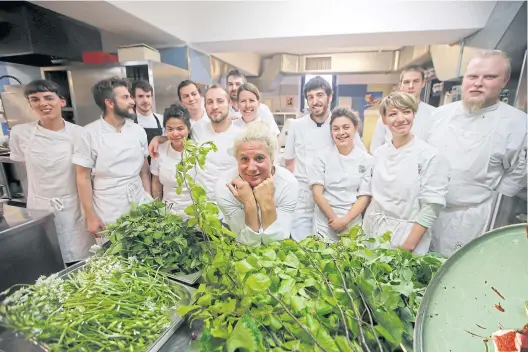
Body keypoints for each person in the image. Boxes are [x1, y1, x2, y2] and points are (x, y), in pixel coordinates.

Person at [425, 50, 527, 257]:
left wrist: (495, 219)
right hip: (428, 214)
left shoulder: (517, 124)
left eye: (489, 77)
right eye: (472, 76)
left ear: (504, 81)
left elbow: (516, 175)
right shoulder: (439, 116)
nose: (478, 83)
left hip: (474, 219)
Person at [9, 80, 94, 265]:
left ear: (61, 101)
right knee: (48, 260)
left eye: (48, 98)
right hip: (40, 206)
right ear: (30, 104)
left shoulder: (79, 134)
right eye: (35, 99)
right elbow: (22, 170)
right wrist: (29, 203)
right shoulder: (20, 133)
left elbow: (85, 175)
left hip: (73, 206)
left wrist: (91, 213)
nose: (43, 103)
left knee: (79, 259)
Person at [362, 91, 449, 255]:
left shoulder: (430, 156)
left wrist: (407, 247)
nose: (401, 119)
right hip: (374, 232)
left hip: (408, 237)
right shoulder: (379, 154)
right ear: (384, 119)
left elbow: (431, 208)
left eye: (406, 112)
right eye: (393, 114)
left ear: (413, 114)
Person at [284, 76, 367, 241]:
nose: (315, 101)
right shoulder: (296, 125)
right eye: (310, 97)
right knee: (305, 248)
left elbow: (359, 157)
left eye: (320, 95)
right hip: (304, 199)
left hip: (334, 200)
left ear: (330, 97)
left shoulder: (339, 125)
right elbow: (289, 162)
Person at [73, 77, 152, 237]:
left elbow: (144, 170)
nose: (132, 101)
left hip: (139, 201)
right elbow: (83, 177)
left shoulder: (138, 131)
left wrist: (148, 199)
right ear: (109, 103)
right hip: (108, 207)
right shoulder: (89, 134)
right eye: (125, 97)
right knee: (115, 255)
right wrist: (91, 216)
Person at [215, 121, 299, 246]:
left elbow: (279, 245)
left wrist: (268, 202)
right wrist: (250, 204)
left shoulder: (288, 183)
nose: (251, 168)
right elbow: (246, 244)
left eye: (259, 158)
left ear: (271, 158)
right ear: (237, 159)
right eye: (244, 159)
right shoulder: (226, 186)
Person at [309, 107, 373, 241]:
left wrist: (344, 221)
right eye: (336, 129)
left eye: (346, 127)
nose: (341, 132)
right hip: (325, 223)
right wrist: (334, 219)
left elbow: (364, 197)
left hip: (352, 223)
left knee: (351, 260)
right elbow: (317, 194)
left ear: (355, 128)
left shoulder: (367, 160)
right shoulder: (321, 157)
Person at [191, 85, 244, 200]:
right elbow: (176, 135)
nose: (214, 107)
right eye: (210, 102)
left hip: (232, 204)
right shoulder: (197, 129)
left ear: (229, 104)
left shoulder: (241, 134)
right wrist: (159, 139)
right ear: (205, 106)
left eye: (220, 101)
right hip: (203, 206)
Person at [370, 66, 436, 154]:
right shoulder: (387, 113)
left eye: (416, 81)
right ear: (400, 85)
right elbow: (375, 147)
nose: (411, 86)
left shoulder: (434, 114)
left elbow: (435, 146)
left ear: (423, 83)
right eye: (407, 82)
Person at [150, 104, 194, 217]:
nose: (175, 133)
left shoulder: (197, 151)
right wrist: (158, 210)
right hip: (168, 214)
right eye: (170, 129)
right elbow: (156, 183)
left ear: (188, 129)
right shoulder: (159, 150)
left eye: (180, 128)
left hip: (195, 215)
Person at [131, 80, 163, 148]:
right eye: (140, 96)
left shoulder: (161, 119)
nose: (145, 100)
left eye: (148, 96)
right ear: (133, 98)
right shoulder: (128, 122)